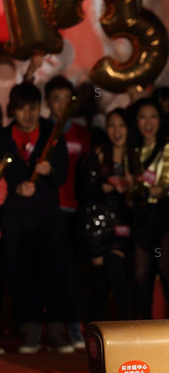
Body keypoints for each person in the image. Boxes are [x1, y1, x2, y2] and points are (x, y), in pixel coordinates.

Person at [0, 83, 72, 353]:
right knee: (20, 273)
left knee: (53, 271)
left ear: (40, 107)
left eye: (32, 108)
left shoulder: (53, 133)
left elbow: (62, 175)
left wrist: (49, 170)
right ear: (13, 110)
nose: (28, 114)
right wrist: (16, 188)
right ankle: (29, 331)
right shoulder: (3, 137)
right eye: (21, 109)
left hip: (46, 215)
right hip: (14, 216)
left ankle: (55, 330)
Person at [44, 75, 91, 349]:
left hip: (77, 211)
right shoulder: (43, 133)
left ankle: (75, 327)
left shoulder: (83, 134)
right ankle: (53, 329)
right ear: (47, 102)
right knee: (53, 271)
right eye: (56, 99)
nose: (61, 105)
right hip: (51, 211)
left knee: (73, 273)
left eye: (66, 99)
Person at [130, 98, 169, 319]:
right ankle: (144, 323)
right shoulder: (133, 149)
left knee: (165, 267)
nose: (148, 122)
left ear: (160, 120)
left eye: (153, 116)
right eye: (142, 117)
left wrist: (152, 190)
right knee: (140, 273)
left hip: (165, 215)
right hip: (141, 216)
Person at [77, 108, 133, 321]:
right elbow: (83, 191)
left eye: (121, 125)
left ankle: (126, 330)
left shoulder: (135, 155)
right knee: (99, 282)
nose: (116, 131)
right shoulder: (99, 154)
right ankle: (98, 332)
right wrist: (105, 187)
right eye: (111, 126)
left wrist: (132, 188)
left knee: (117, 274)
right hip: (97, 223)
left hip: (123, 224)